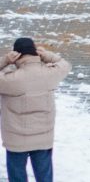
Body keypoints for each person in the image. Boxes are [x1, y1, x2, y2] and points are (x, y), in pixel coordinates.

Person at [0, 38, 70, 182]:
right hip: (43, 138)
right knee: (44, 177)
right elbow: (65, 65)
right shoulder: (50, 74)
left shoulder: (8, 80)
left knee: (17, 177)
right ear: (35, 52)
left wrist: (6, 61)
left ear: (16, 55)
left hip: (16, 141)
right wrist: (47, 55)